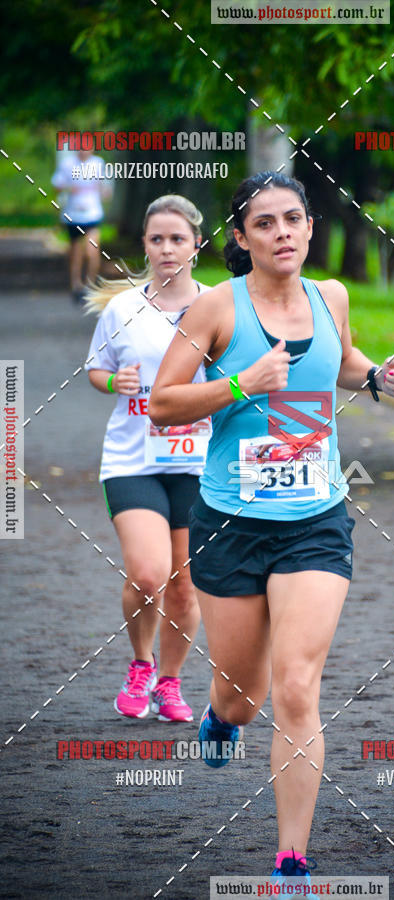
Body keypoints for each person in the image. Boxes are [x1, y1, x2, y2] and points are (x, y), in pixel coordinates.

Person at [149, 172, 394, 877]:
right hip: (229, 523)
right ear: (240, 238)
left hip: (314, 520)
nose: (283, 233)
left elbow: (342, 360)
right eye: (264, 224)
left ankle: (291, 863)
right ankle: (218, 714)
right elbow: (163, 403)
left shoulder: (332, 296)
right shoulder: (216, 309)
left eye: (293, 219)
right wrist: (241, 383)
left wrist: (377, 377)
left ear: (309, 226)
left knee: (297, 686)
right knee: (243, 698)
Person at [84, 194, 211, 722]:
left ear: (197, 245)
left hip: (198, 460)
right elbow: (95, 370)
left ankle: (170, 683)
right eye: (156, 239)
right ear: (144, 245)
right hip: (132, 457)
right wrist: (115, 380)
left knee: (184, 582)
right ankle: (141, 663)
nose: (166, 249)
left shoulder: (218, 305)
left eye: (177, 239)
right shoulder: (122, 308)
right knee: (147, 574)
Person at [52, 147, 112, 304]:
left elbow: (106, 188)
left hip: (92, 215)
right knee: (76, 253)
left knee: (92, 251)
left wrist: (104, 191)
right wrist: (69, 188)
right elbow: (57, 186)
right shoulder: (67, 164)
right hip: (73, 216)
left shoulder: (98, 163)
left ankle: (90, 286)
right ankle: (76, 285)